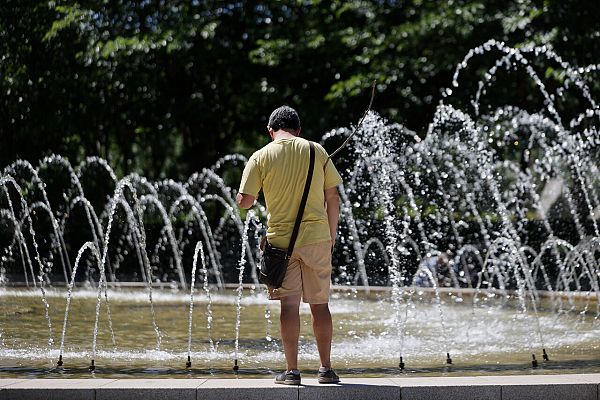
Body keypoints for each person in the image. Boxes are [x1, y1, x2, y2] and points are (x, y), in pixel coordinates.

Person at [236, 106, 342, 385]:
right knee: (320, 306)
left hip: (281, 244)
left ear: (271, 130)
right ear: (298, 129)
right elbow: (333, 197)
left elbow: (245, 202)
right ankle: (326, 369)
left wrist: (246, 197)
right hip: (318, 238)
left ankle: (292, 372)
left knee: (289, 307)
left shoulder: (260, 156)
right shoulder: (316, 151)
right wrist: (330, 237)